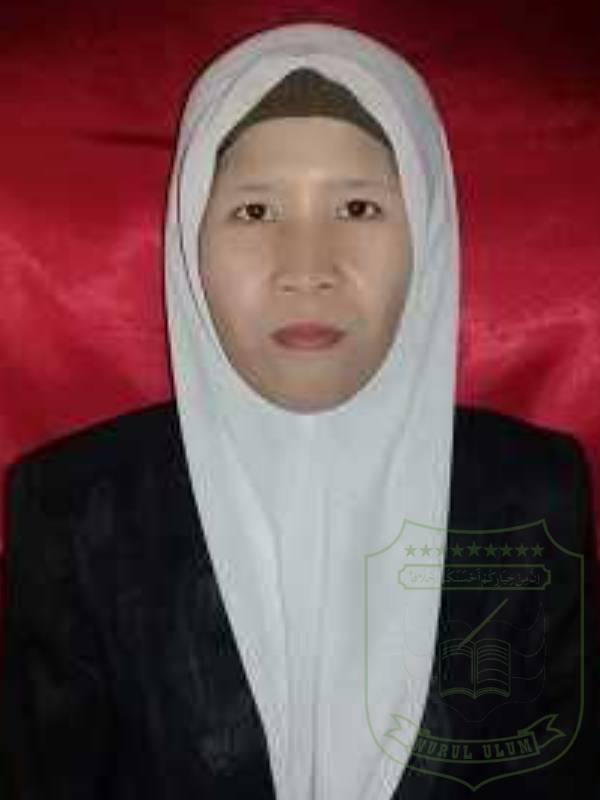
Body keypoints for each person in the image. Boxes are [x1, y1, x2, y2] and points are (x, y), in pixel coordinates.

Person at [1, 21, 598, 800]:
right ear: (189, 239)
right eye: (254, 212)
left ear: (429, 231)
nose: (308, 268)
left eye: (358, 207)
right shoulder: (74, 512)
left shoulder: (533, 496)